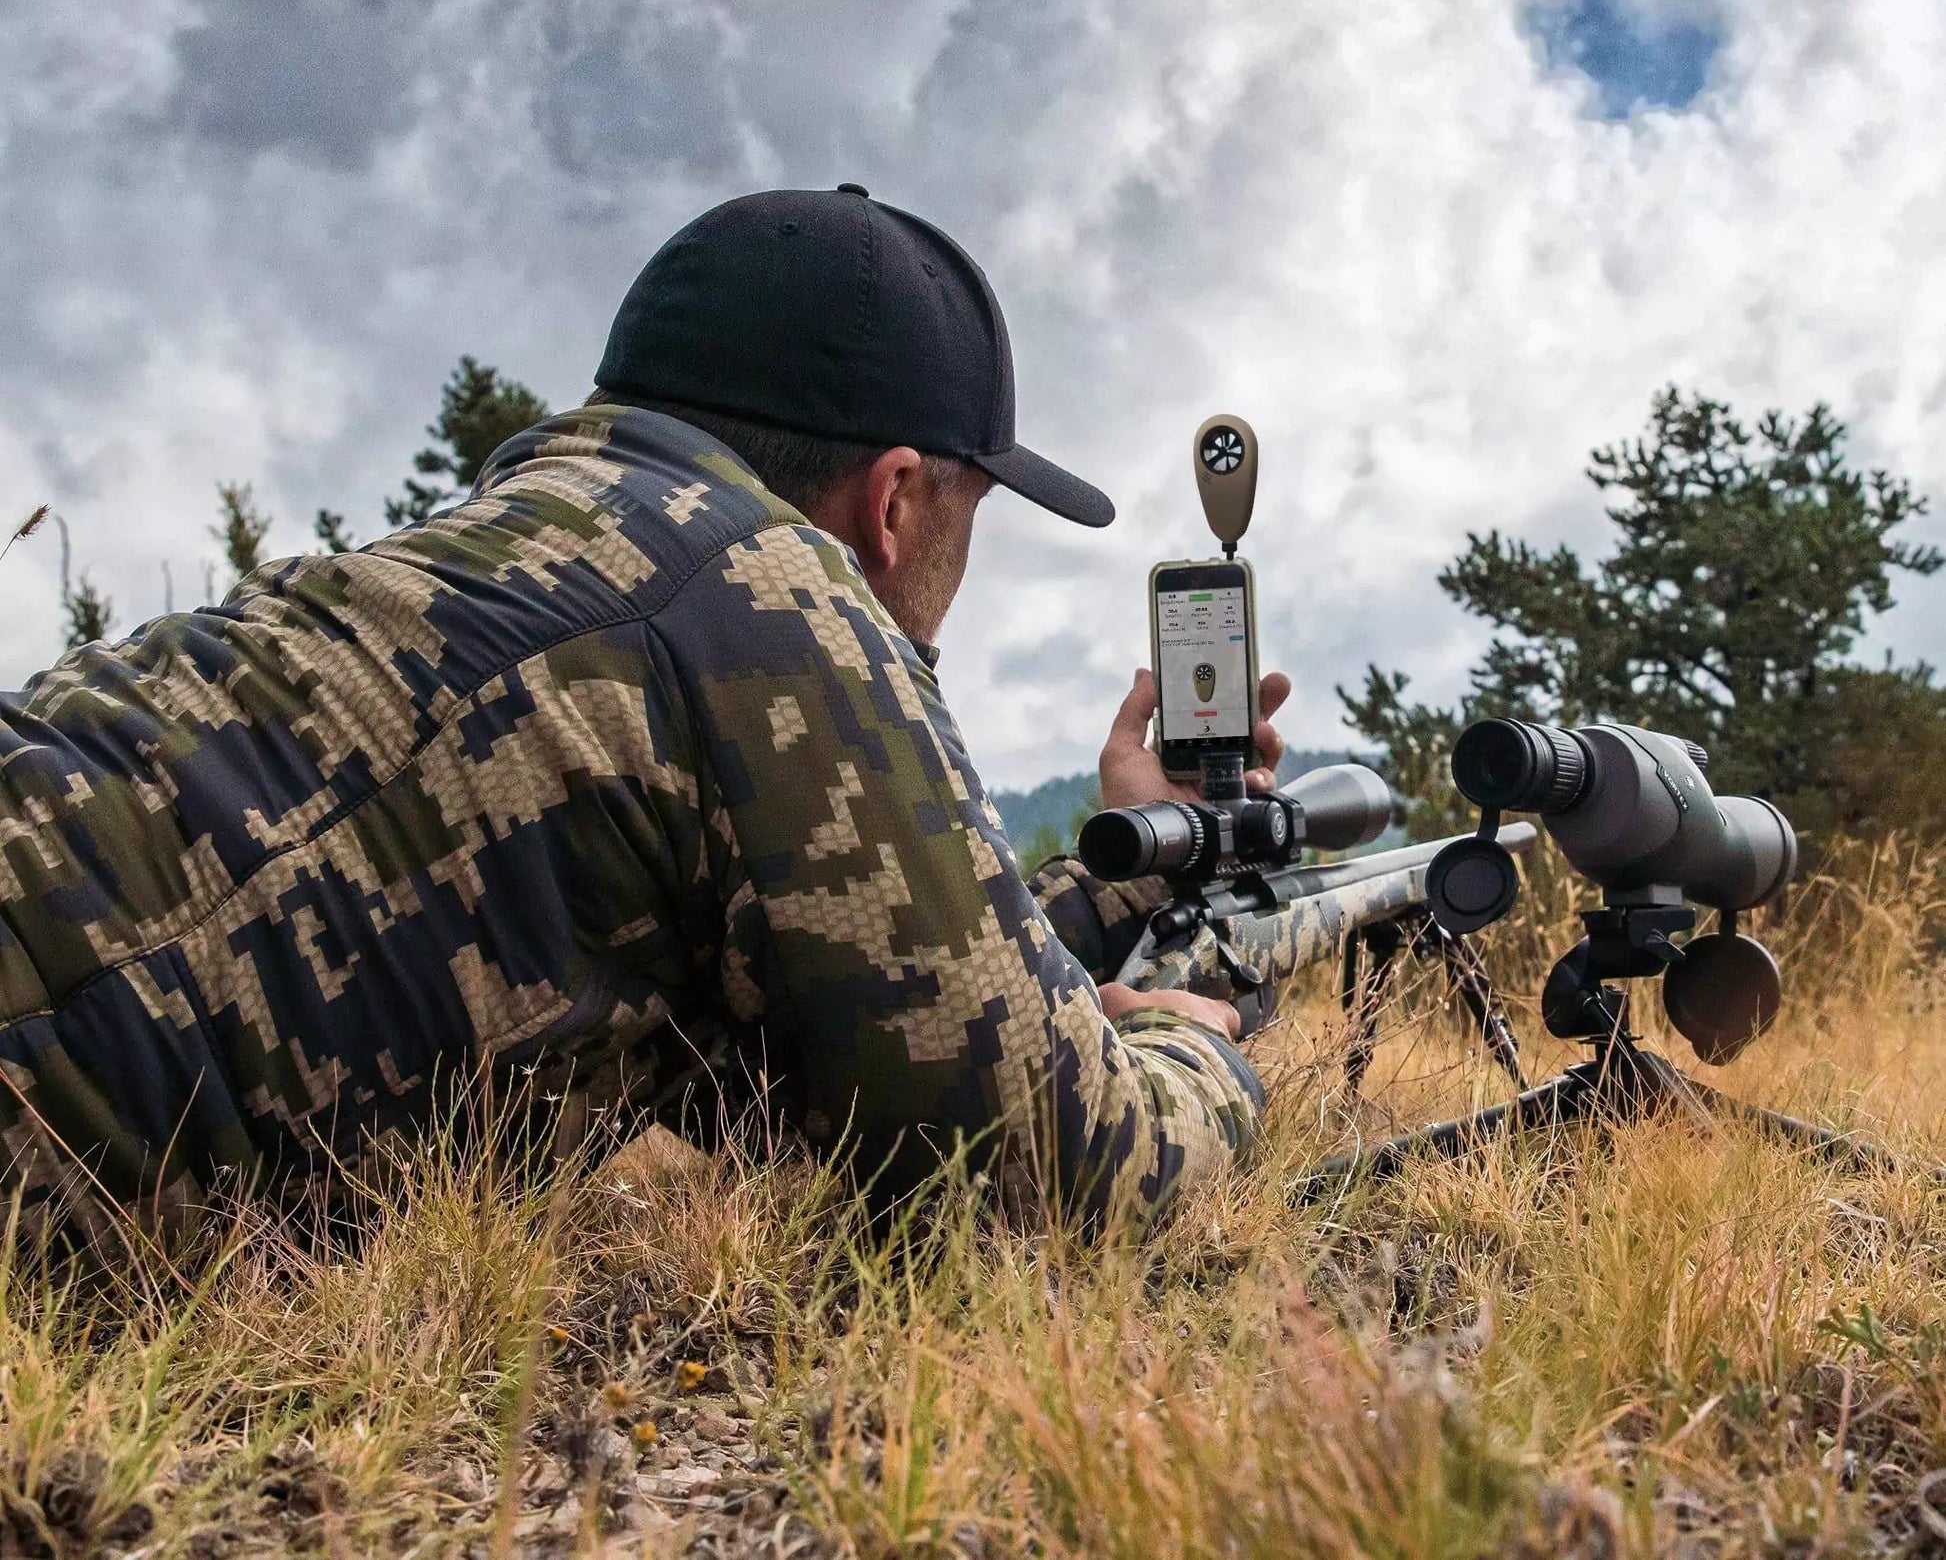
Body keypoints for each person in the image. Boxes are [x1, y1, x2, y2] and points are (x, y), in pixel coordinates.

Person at [0, 185, 1287, 1244]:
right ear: (895, 503)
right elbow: (1059, 1183)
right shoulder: (765, 596)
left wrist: (1122, 876)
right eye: (971, 515)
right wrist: (1195, 1054)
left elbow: (851, 992)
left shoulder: (540, 562)